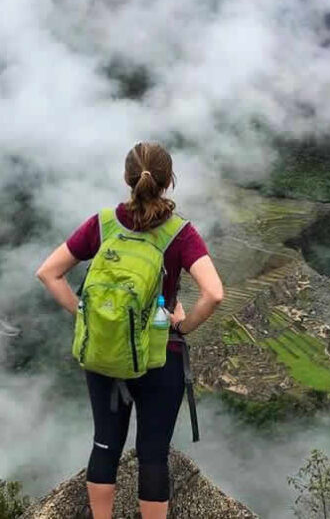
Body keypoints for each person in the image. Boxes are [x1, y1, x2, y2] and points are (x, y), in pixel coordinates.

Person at [35, 142, 224, 519]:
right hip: (159, 358)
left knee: (105, 443)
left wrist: (87, 316)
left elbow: (49, 273)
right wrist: (182, 325)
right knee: (153, 453)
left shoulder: (103, 223)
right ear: (169, 182)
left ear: (128, 179)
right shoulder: (180, 233)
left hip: (105, 354)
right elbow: (214, 294)